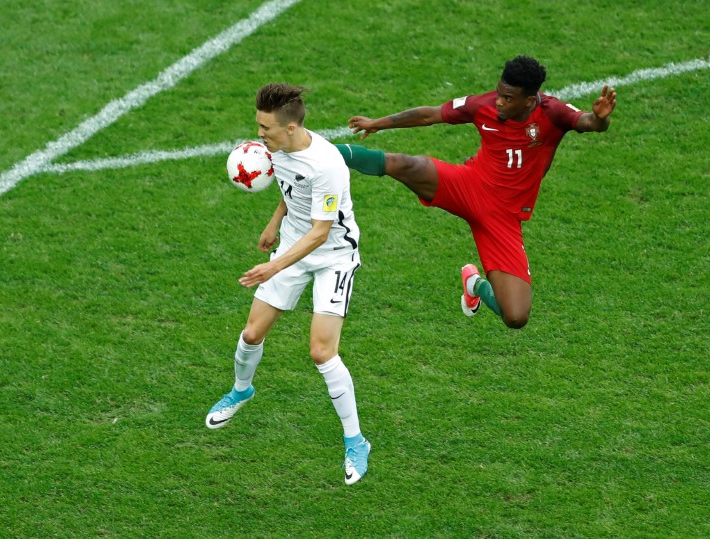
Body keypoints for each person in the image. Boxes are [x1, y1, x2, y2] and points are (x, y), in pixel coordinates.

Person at [337, 55, 616, 329]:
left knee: (516, 316)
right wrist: (377, 123)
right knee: (403, 164)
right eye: (499, 93)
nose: (499, 102)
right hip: (468, 185)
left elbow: (588, 122)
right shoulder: (482, 105)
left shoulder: (554, 113)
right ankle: (319, 150)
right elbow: (430, 115)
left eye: (508, 99)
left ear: (529, 100)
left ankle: (475, 284)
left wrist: (601, 119)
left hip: (503, 217)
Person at [207, 83, 370, 485]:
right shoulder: (274, 151)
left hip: (332, 256)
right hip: (291, 246)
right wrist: (275, 220)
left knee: (321, 351)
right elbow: (290, 186)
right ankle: (241, 391)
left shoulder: (328, 165)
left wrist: (273, 266)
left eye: (266, 128)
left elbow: (319, 232)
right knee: (251, 332)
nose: (259, 134)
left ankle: (356, 440)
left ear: (292, 127)